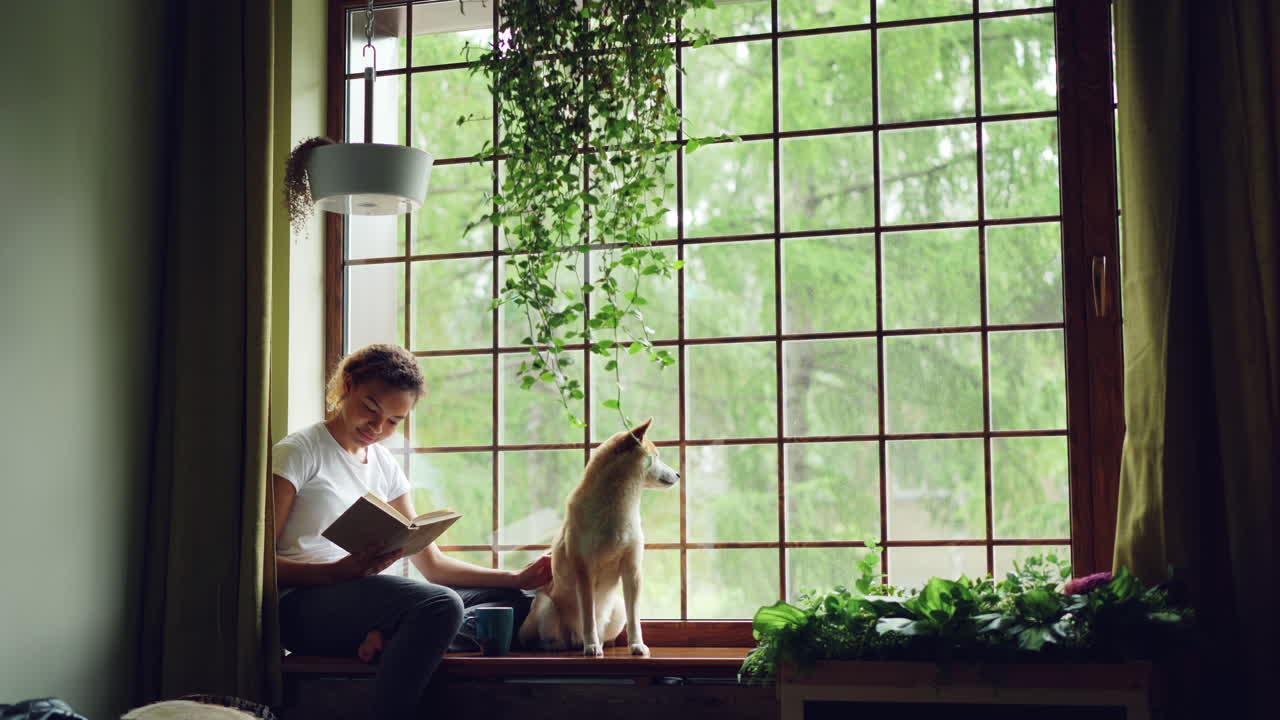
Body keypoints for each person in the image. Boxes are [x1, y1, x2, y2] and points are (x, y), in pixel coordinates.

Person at [273, 344, 551, 719]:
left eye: (393, 421)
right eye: (372, 408)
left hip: (365, 598)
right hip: (303, 606)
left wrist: (516, 576)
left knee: (513, 602)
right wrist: (336, 572)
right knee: (441, 605)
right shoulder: (299, 452)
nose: (378, 427)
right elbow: (255, 565)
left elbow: (433, 567)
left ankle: (389, 640)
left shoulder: (385, 465)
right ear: (348, 386)